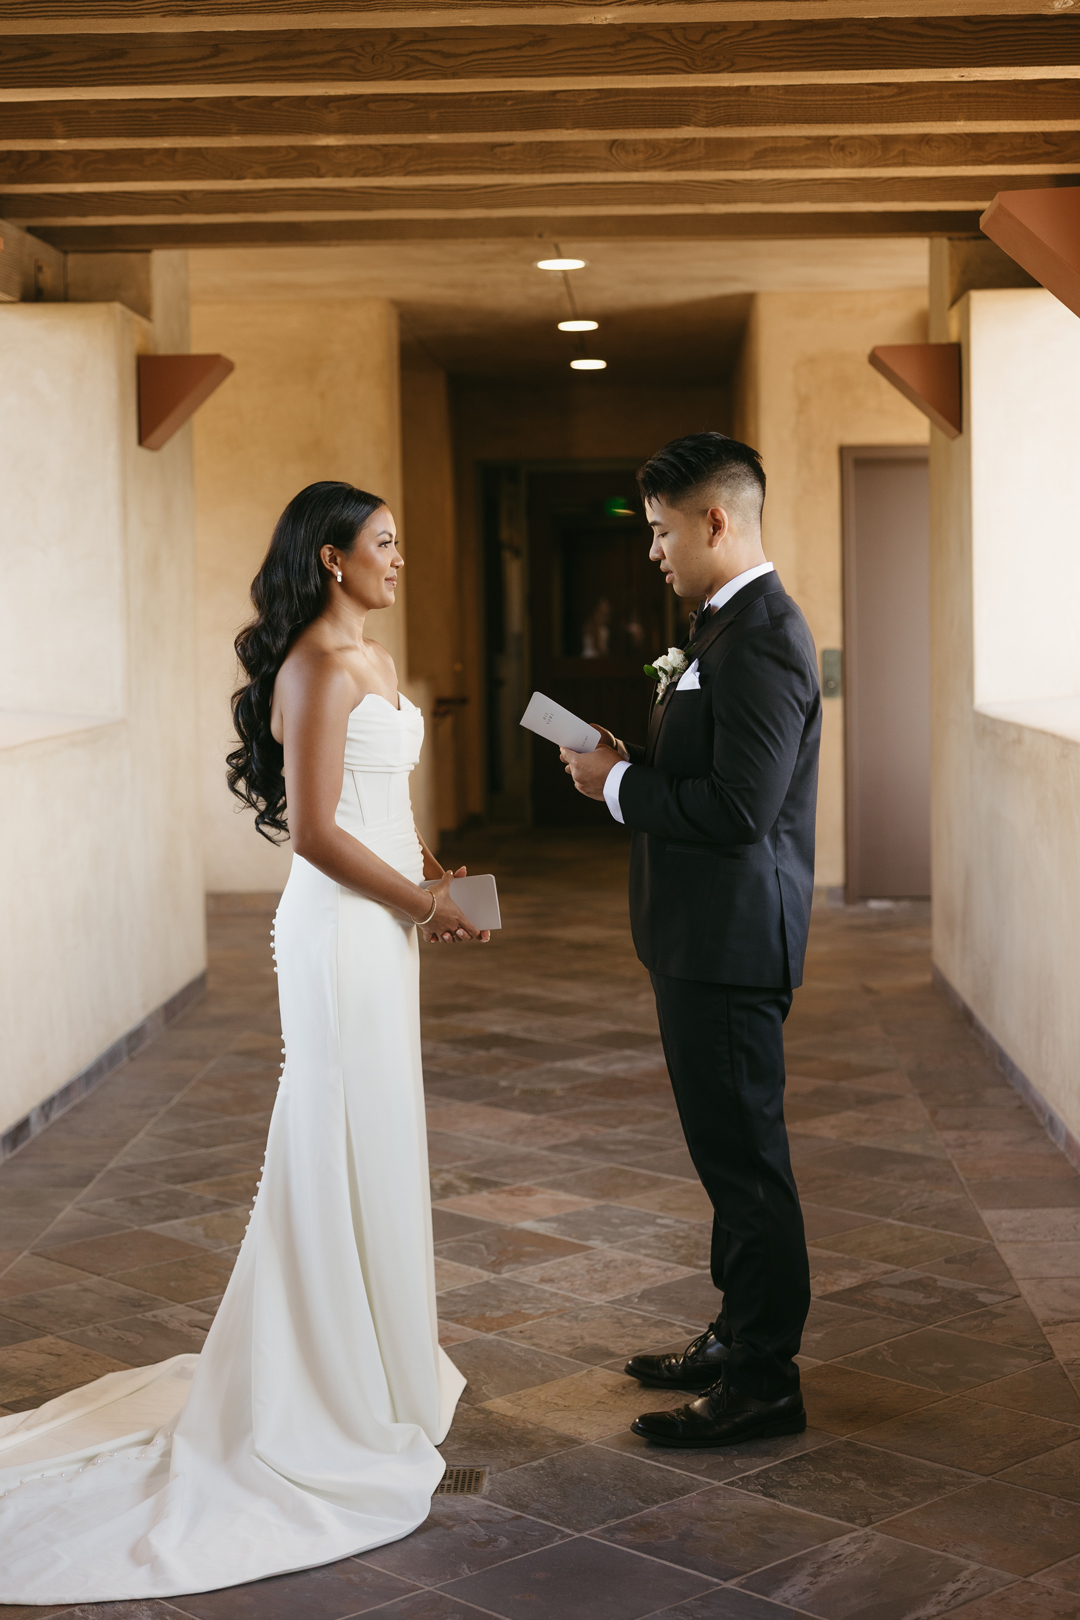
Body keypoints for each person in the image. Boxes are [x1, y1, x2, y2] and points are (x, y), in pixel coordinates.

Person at [0, 481, 486, 1602]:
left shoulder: (367, 656)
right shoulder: (316, 666)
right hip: (335, 936)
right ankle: (315, 1384)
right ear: (329, 558)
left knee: (375, 1136)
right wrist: (418, 902)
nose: (399, 560)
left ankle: (370, 1364)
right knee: (326, 1138)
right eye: (384, 544)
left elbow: (373, 810)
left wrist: (428, 881)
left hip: (383, 931)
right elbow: (315, 833)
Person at [560, 434, 820, 1448]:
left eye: (663, 531)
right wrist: (633, 759)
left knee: (748, 1162)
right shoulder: (721, 628)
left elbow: (741, 809)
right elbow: (712, 771)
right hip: (696, 936)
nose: (654, 551)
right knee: (725, 1157)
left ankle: (764, 1378)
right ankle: (737, 1331)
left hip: (731, 942)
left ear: (717, 519)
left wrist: (616, 786)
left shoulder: (761, 632)